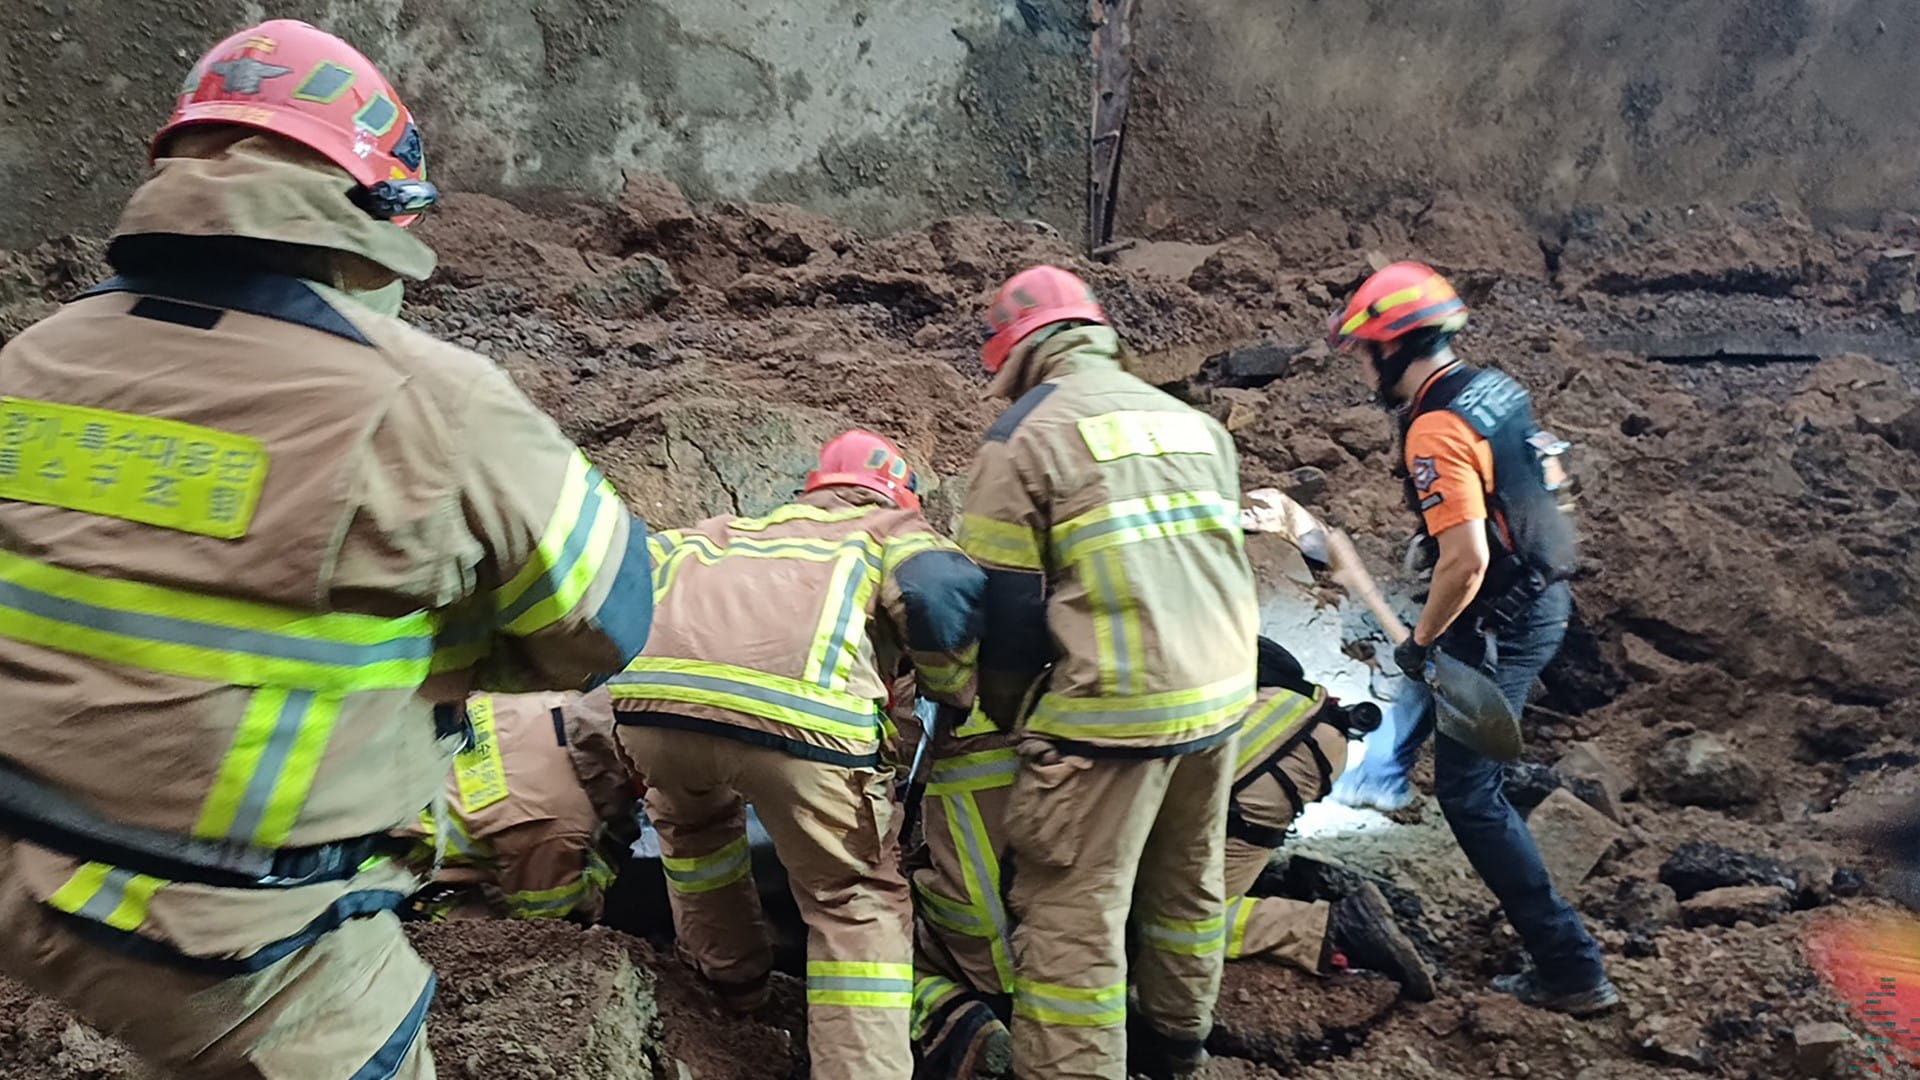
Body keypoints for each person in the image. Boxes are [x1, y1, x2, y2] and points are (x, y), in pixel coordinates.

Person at [0, 20, 655, 1080]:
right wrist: (443, 651)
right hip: (231, 936)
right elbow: (606, 619)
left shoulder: (32, 358)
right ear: (374, 210)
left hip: (23, 866)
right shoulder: (430, 401)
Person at [610, 429, 984, 1080]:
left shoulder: (726, 532)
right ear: (897, 495)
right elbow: (936, 592)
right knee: (854, 899)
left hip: (654, 710)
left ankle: (732, 989)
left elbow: (630, 567)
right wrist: (954, 690)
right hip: (804, 729)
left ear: (814, 487)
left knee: (696, 839)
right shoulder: (890, 528)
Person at [958, 265, 1257, 1079]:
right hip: (1222, 696)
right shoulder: (1192, 422)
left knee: (1072, 917)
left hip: (1113, 716)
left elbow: (1006, 609)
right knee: (1187, 882)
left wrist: (1012, 710)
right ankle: (1176, 1047)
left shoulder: (1026, 438)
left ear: (1016, 349)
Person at [1325, 261, 1618, 1016]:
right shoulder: (1497, 389)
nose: (1364, 366)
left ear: (1395, 345)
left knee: (1468, 791)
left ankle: (1570, 966)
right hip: (1536, 595)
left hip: (1498, 620)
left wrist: (1424, 635)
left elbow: (1468, 559)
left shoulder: (1434, 426)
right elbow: (1533, 489)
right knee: (1434, 667)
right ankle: (1377, 775)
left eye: (1365, 349)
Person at [398, 689, 635, 923]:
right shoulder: (558, 824)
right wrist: (610, 852)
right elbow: (552, 916)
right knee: (497, 930)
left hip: (381, 772)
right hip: (386, 858)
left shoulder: (551, 699)